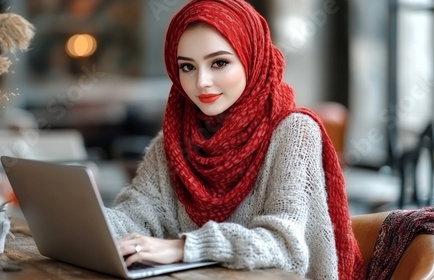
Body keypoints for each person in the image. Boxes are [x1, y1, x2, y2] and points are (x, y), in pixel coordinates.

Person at [104, 0, 365, 279]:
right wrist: (77, 221)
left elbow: (285, 246)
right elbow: (136, 215)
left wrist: (185, 247)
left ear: (251, 59)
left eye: (219, 63)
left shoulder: (295, 132)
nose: (201, 81)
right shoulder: (172, 144)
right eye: (188, 67)